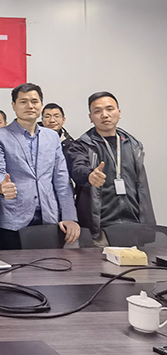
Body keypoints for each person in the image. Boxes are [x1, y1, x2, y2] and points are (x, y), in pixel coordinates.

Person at [0, 83, 79, 249]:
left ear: (41, 104)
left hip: (48, 216)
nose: (30, 106)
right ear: (14, 106)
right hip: (12, 216)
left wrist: (69, 216)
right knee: (12, 265)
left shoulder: (52, 137)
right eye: (23, 101)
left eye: (34, 101)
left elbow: (61, 179)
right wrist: (1, 186)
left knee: (50, 263)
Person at [68, 92, 155, 247]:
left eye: (110, 109)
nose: (105, 115)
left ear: (118, 113)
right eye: (97, 111)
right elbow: (77, 168)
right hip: (100, 229)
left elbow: (140, 187)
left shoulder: (133, 145)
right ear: (90, 117)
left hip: (133, 226)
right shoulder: (82, 145)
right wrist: (89, 176)